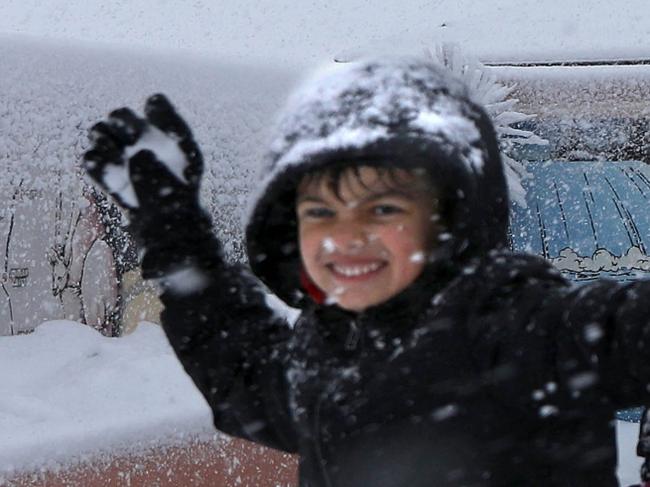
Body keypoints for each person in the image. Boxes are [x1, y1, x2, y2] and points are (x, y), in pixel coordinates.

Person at [83, 57, 650, 486]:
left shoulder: (519, 324)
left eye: (383, 209)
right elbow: (244, 377)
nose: (345, 236)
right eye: (319, 211)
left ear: (450, 219)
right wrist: (175, 236)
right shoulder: (330, 346)